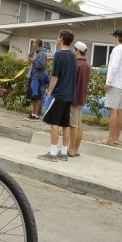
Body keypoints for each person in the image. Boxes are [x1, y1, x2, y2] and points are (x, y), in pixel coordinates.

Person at [37, 29, 76, 162]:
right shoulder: (73, 56)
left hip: (59, 94)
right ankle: (64, 152)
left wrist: (49, 92)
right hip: (69, 94)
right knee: (66, 123)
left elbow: (55, 76)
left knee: (54, 122)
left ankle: (53, 152)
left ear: (61, 38)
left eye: (58, 36)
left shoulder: (59, 55)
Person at [100, 30, 122, 146]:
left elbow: (113, 67)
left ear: (117, 37)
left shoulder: (117, 50)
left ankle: (110, 138)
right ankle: (116, 138)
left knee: (113, 110)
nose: (113, 39)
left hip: (115, 84)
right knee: (119, 110)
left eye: (113, 37)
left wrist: (108, 82)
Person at [68, 41, 91, 156]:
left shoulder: (76, 64)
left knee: (73, 125)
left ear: (77, 51)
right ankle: (77, 149)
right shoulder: (86, 65)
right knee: (79, 124)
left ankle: (71, 149)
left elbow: (72, 82)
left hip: (74, 98)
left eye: (74, 49)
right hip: (82, 98)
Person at [26, 39, 48, 120]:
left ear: (38, 44)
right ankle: (33, 113)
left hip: (38, 77)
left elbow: (41, 65)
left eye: (34, 43)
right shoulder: (37, 53)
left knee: (37, 97)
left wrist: (32, 60)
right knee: (34, 96)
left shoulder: (42, 54)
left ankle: (36, 114)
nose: (33, 44)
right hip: (34, 77)